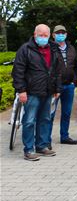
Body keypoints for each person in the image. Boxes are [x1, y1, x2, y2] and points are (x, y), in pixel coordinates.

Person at [12, 24, 62, 161]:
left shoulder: (53, 48)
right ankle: (28, 149)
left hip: (47, 91)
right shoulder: (25, 49)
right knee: (29, 121)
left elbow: (57, 70)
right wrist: (21, 90)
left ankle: (42, 146)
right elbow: (18, 71)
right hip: (31, 92)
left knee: (45, 119)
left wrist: (57, 88)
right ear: (35, 35)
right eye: (41, 35)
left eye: (46, 35)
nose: (43, 38)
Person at [48, 25, 77, 147]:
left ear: (66, 35)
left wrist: (74, 80)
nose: (60, 35)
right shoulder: (50, 48)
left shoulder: (71, 48)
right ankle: (46, 139)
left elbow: (75, 66)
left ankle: (64, 136)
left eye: (63, 33)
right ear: (53, 35)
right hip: (54, 87)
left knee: (66, 113)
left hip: (69, 86)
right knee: (50, 114)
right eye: (58, 33)